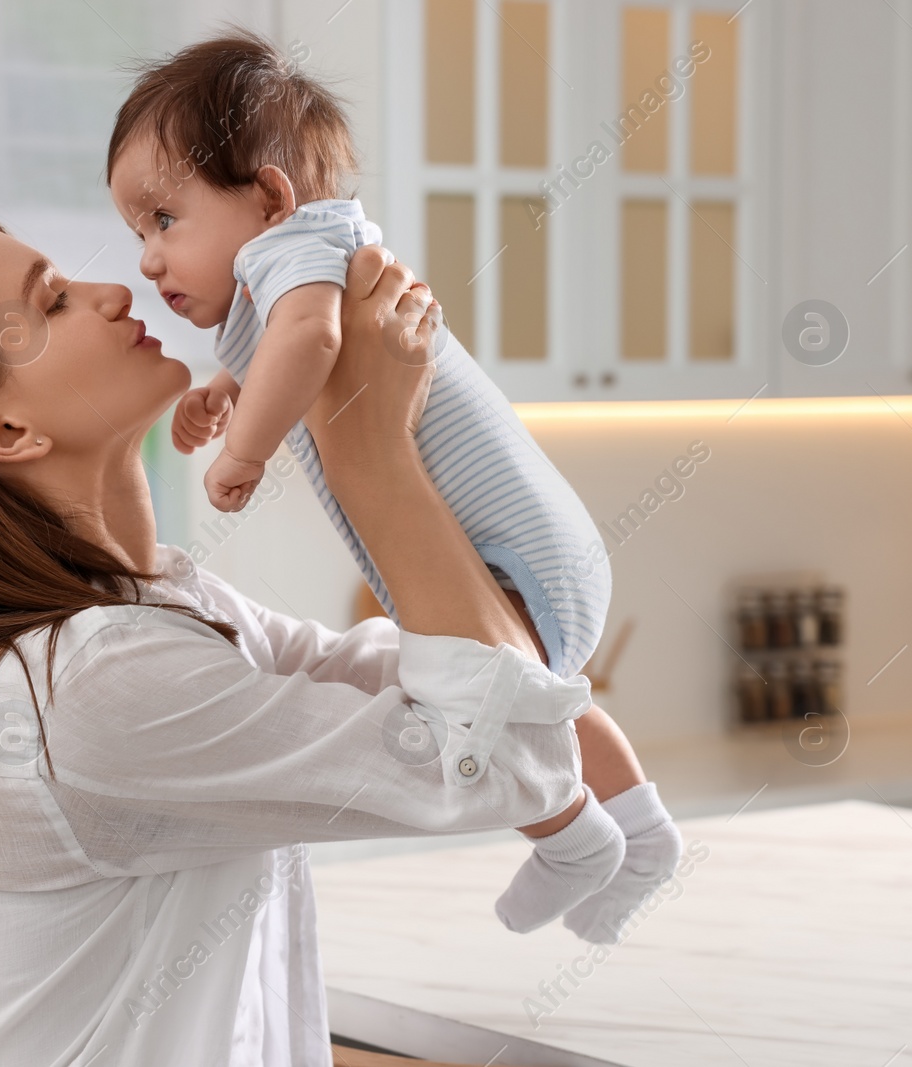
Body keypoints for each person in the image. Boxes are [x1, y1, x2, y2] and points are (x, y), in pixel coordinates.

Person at [0, 209, 630, 1065]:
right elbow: (513, 751)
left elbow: (440, 683)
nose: (113, 291)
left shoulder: (154, 598)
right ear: (3, 430)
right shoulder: (86, 688)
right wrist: (367, 450)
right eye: (54, 303)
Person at [106, 30, 683, 940]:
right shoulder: (291, 271)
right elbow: (298, 351)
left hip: (509, 546)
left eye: (164, 222)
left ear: (267, 198)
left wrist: (242, 451)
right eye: (137, 231)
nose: (146, 259)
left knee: (473, 698)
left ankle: (574, 840)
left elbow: (314, 346)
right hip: (533, 548)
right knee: (531, 692)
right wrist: (229, 393)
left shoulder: (292, 251)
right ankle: (640, 831)